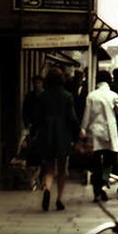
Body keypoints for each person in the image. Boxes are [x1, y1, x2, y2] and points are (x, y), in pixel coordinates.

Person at [37, 67, 79, 212]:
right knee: (62, 169)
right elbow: (72, 118)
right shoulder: (67, 96)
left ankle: (47, 189)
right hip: (62, 135)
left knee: (49, 168)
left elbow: (38, 118)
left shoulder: (42, 96)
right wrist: (77, 133)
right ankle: (59, 199)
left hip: (47, 134)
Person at [80, 70, 118, 203]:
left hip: (95, 132)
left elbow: (87, 114)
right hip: (109, 132)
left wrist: (83, 129)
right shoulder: (114, 96)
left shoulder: (91, 96)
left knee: (96, 162)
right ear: (109, 80)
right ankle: (104, 180)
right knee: (110, 160)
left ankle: (97, 191)